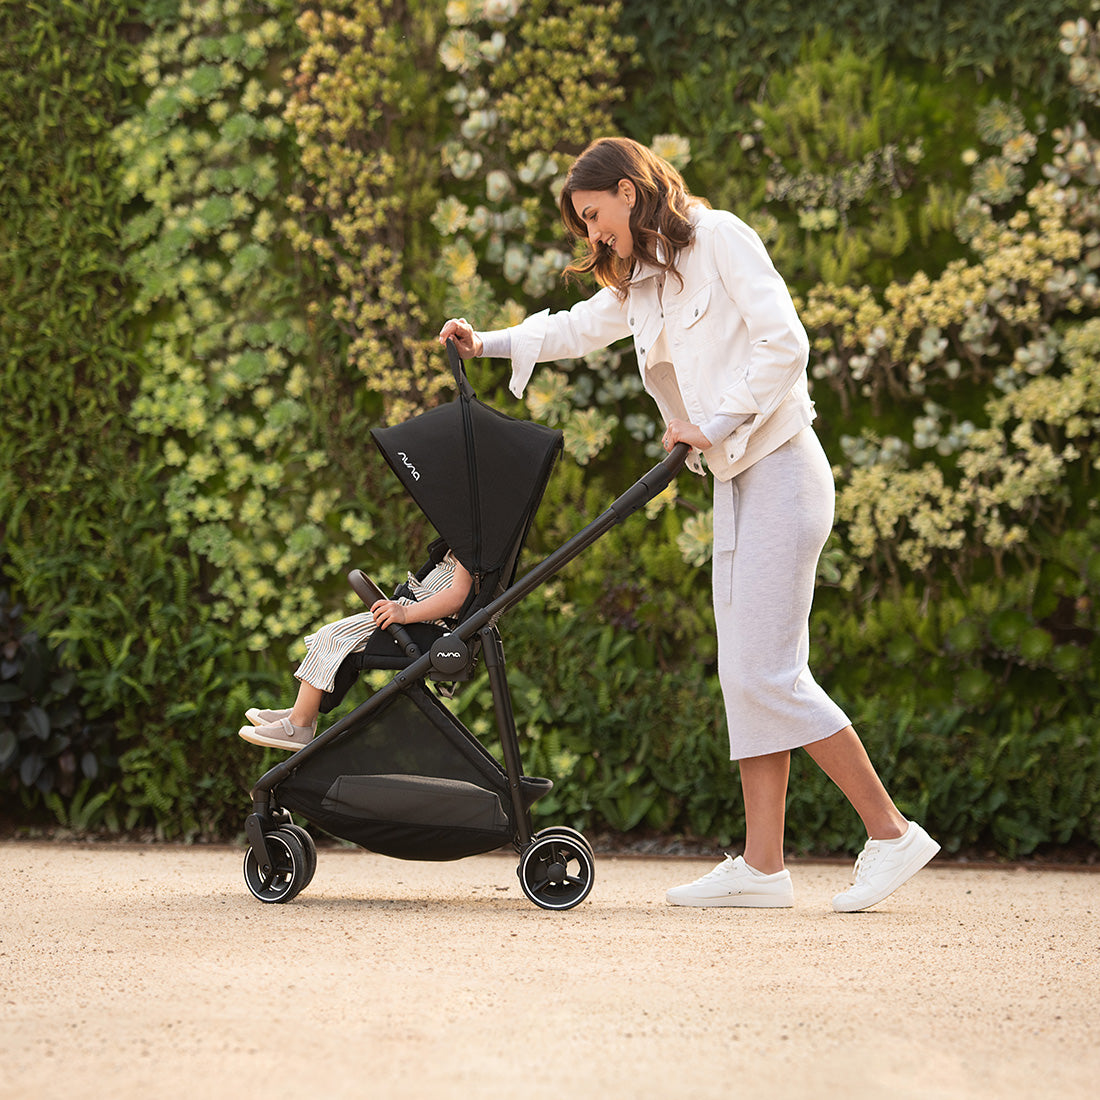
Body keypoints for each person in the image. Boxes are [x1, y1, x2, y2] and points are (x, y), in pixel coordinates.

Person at [439, 136, 939, 913]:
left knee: (769, 672)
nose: (593, 235)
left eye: (595, 215)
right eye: (582, 224)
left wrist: (712, 419)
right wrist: (488, 342)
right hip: (735, 486)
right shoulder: (643, 282)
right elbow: (575, 327)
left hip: (780, 468)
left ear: (630, 194)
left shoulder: (722, 240)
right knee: (745, 673)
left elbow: (786, 343)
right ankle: (764, 867)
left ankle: (891, 833)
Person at [239, 549, 473, 752]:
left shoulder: (476, 541)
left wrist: (405, 614)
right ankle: (302, 713)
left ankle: (299, 724)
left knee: (332, 637)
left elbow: (458, 596)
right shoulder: (467, 538)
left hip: (427, 625)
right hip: (414, 614)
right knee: (341, 646)